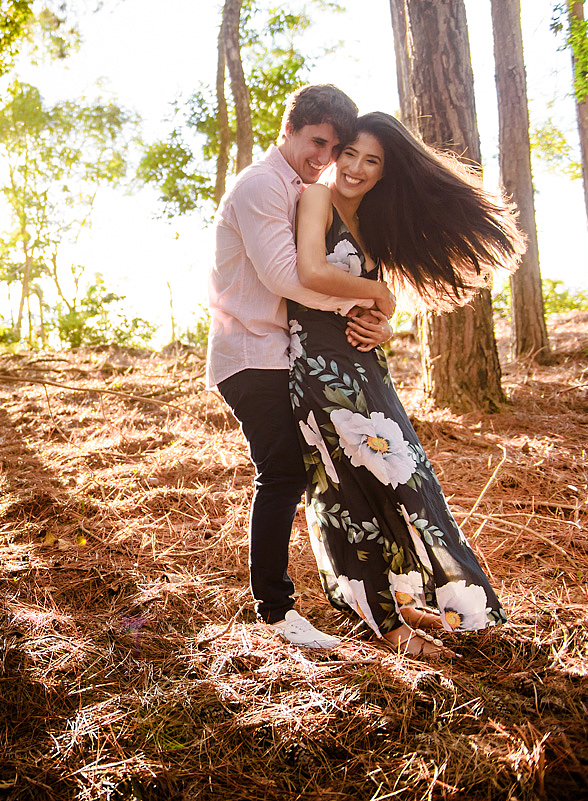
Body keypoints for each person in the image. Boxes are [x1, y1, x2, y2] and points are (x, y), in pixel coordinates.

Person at [287, 111, 523, 656]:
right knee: (357, 489)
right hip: (319, 368)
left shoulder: (372, 222)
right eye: (350, 154)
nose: (356, 168)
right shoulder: (316, 199)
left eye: (372, 161)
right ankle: (386, 621)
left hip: (365, 368)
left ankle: (419, 601)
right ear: (337, 153)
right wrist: (382, 299)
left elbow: (365, 298)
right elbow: (309, 273)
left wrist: (384, 322)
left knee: (404, 481)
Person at [207, 84, 395, 649]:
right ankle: (275, 611)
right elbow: (286, 276)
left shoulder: (302, 189)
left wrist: (379, 316)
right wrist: (367, 297)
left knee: (313, 474)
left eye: (333, 148)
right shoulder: (262, 185)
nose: (324, 158)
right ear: (287, 130)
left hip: (284, 354)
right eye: (316, 142)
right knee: (282, 473)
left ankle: (364, 593)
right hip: (249, 355)